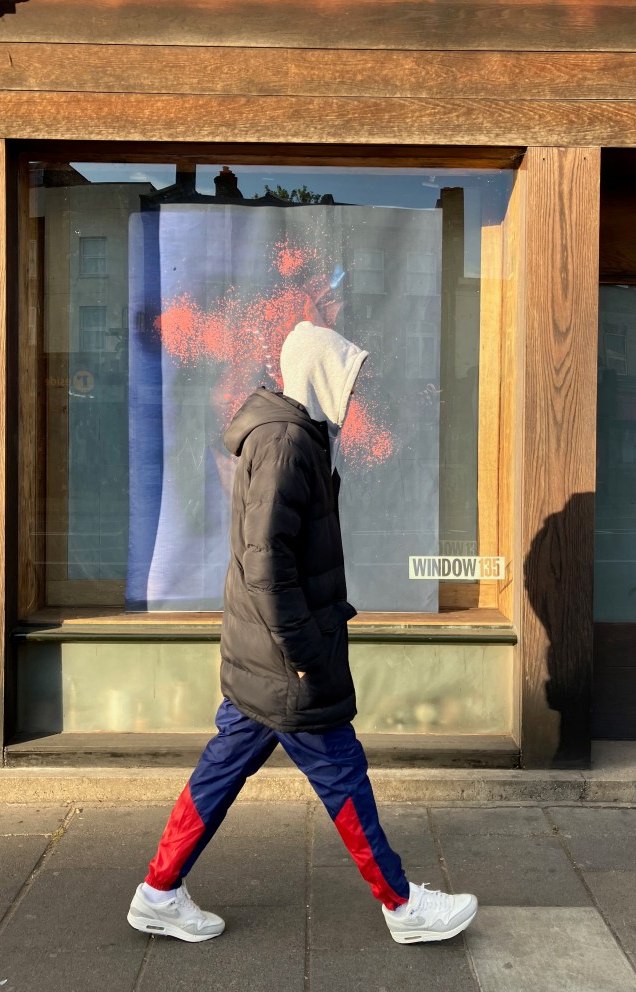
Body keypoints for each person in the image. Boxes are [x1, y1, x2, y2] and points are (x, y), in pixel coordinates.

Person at [127, 320, 478, 945]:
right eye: (347, 375)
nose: (354, 389)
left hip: (261, 657)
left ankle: (158, 891)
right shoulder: (288, 443)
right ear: (319, 375)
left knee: (221, 770)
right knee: (342, 773)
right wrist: (305, 654)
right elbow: (267, 564)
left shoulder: (286, 435)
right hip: (286, 663)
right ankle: (402, 906)